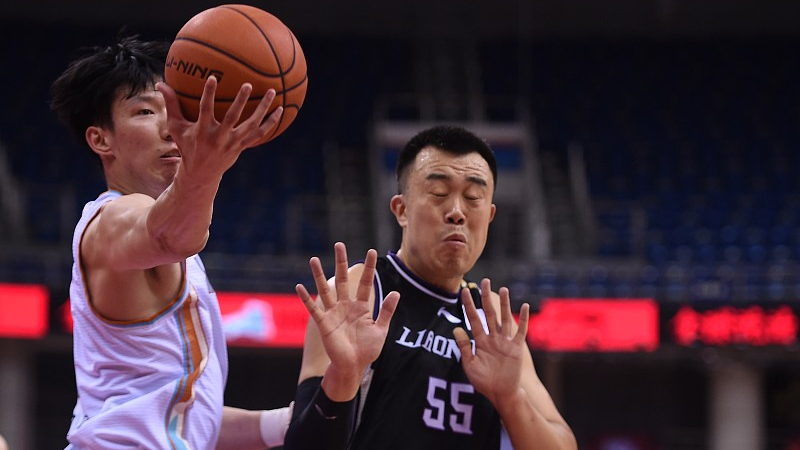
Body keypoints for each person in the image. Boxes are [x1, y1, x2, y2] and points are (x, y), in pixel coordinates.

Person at [49, 33, 358, 450]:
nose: (170, 127)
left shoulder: (170, 236)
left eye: (176, 110)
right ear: (101, 139)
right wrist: (207, 164)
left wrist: (290, 423)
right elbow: (169, 234)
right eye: (145, 111)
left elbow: (185, 416)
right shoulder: (110, 222)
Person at [285, 125, 577, 449]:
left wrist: (510, 399)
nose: (457, 212)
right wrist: (343, 375)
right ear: (402, 209)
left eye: (473, 198)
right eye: (438, 193)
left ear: (490, 215)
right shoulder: (358, 294)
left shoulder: (492, 317)